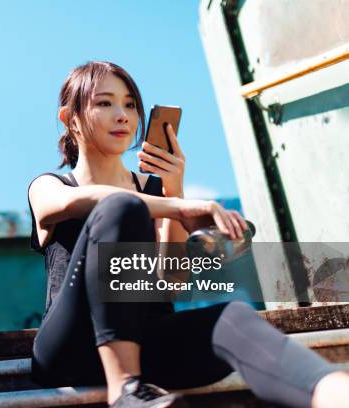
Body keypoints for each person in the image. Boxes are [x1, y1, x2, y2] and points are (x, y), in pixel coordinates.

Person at [27, 61, 349, 408]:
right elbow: (71, 204)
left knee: (235, 317)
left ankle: (333, 394)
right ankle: (125, 391)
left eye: (130, 104)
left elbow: (171, 282)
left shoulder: (158, 193)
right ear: (69, 118)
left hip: (149, 343)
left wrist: (173, 192)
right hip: (71, 349)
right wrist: (175, 208)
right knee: (122, 208)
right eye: (104, 103)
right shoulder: (51, 185)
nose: (122, 115)